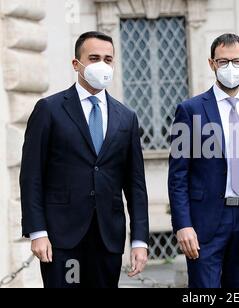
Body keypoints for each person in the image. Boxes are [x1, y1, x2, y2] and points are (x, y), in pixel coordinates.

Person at [20, 31, 150, 288]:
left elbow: (135, 185)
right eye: (94, 58)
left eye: (108, 59)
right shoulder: (49, 109)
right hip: (61, 238)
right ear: (76, 64)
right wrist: (37, 232)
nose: (102, 64)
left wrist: (139, 241)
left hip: (107, 238)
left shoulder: (126, 117)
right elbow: (31, 175)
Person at [168, 33, 239, 288]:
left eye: (236, 61)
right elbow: (178, 176)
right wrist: (183, 224)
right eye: (223, 62)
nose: (230, 68)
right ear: (212, 64)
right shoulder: (189, 110)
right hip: (205, 220)